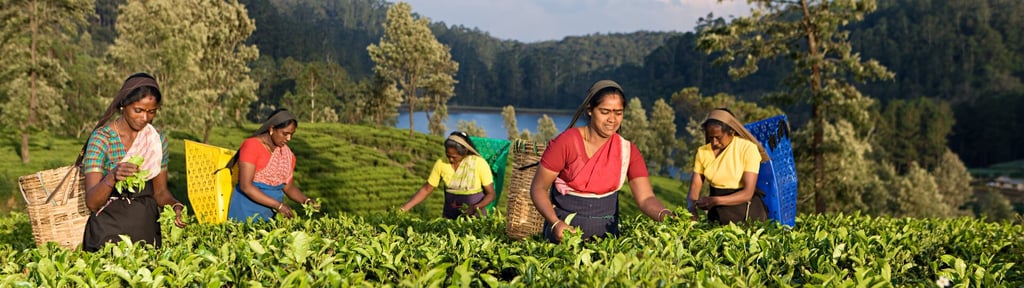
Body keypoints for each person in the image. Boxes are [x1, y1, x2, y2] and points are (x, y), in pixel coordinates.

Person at [530, 80, 674, 243]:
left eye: (618, 113)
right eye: (605, 112)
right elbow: (538, 188)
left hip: (606, 243)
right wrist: (555, 223)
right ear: (590, 110)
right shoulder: (566, 143)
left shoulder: (627, 151)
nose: (612, 119)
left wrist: (668, 217)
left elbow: (646, 198)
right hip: (563, 241)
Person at [82, 72, 186, 252]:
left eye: (151, 112)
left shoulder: (156, 139)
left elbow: (160, 192)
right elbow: (92, 202)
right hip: (108, 233)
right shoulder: (102, 139)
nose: (145, 118)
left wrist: (175, 205)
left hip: (146, 231)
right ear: (123, 105)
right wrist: (113, 176)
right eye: (138, 110)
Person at [226, 109, 317, 222]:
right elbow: (246, 186)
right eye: (285, 133)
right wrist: (278, 205)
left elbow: (287, 186)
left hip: (270, 214)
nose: (289, 139)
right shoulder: (252, 146)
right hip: (247, 211)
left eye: (291, 134)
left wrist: (306, 200)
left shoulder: (286, 154)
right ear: (272, 129)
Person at [687, 108, 771, 225]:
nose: (714, 142)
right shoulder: (703, 152)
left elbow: (747, 193)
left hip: (745, 215)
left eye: (718, 137)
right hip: (717, 215)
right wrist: (692, 209)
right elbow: (694, 188)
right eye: (711, 137)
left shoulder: (747, 149)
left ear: (731, 132)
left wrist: (716, 201)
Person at [400, 131, 496, 219]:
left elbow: (491, 194)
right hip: (450, 216)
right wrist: (404, 209)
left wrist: (475, 207)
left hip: (475, 217)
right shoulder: (441, 163)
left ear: (465, 152)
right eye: (448, 155)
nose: (450, 160)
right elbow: (427, 189)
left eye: (454, 157)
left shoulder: (478, 163)